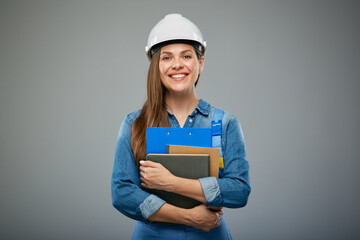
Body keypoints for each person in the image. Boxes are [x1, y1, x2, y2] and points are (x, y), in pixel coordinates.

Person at [111, 13, 251, 239]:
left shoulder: (226, 124)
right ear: (156, 66)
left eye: (186, 56)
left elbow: (239, 191)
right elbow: (122, 194)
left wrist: (172, 183)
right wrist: (188, 217)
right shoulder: (134, 124)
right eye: (166, 58)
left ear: (200, 63)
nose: (177, 64)